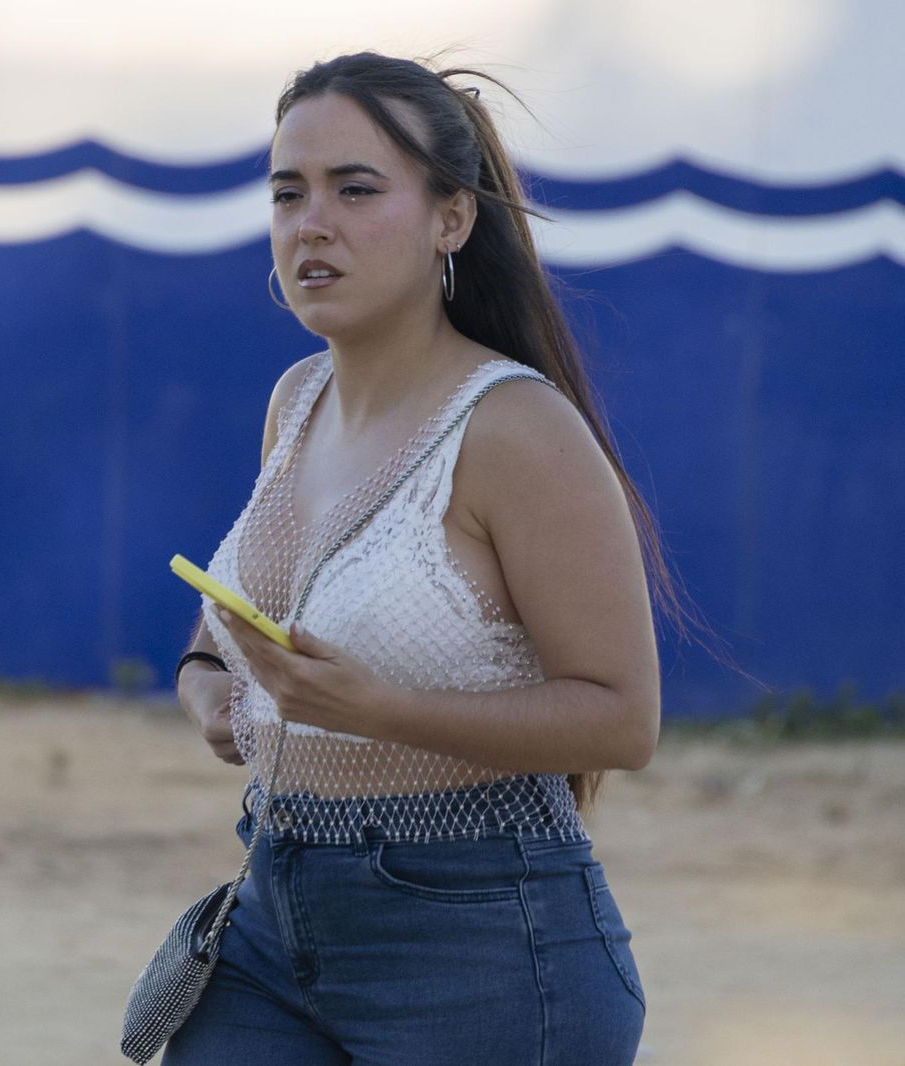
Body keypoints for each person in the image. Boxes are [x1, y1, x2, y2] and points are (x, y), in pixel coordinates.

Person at [163, 52, 666, 1065]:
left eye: (355, 190)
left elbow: (622, 719)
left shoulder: (517, 428)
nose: (312, 224)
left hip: (482, 941)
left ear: (451, 219)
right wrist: (209, 690)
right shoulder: (296, 401)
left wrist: (378, 711)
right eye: (288, 193)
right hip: (270, 908)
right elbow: (227, 638)